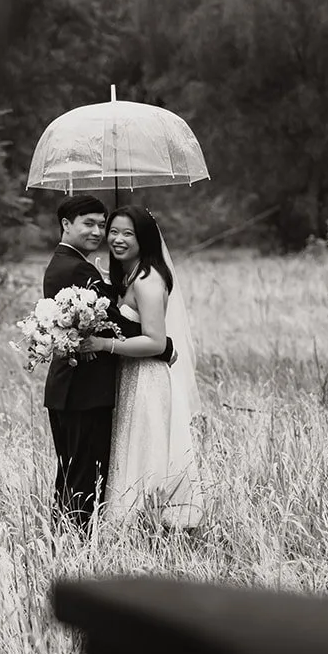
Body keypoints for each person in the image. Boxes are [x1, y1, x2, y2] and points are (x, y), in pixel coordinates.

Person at [43, 195, 174, 532]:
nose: (100, 233)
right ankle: (75, 542)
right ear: (66, 225)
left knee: (78, 474)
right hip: (83, 392)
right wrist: (165, 346)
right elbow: (112, 325)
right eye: (91, 224)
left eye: (104, 226)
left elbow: (113, 323)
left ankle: (72, 538)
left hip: (80, 390)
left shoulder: (74, 266)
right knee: (83, 477)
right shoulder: (75, 268)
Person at [82, 206, 205, 530]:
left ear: (144, 238)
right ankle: (134, 524)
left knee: (145, 449)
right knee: (130, 446)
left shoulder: (148, 279)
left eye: (128, 233)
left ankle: (146, 523)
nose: (117, 239)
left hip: (147, 378)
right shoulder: (132, 275)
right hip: (131, 375)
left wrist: (104, 344)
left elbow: (154, 340)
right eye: (114, 231)